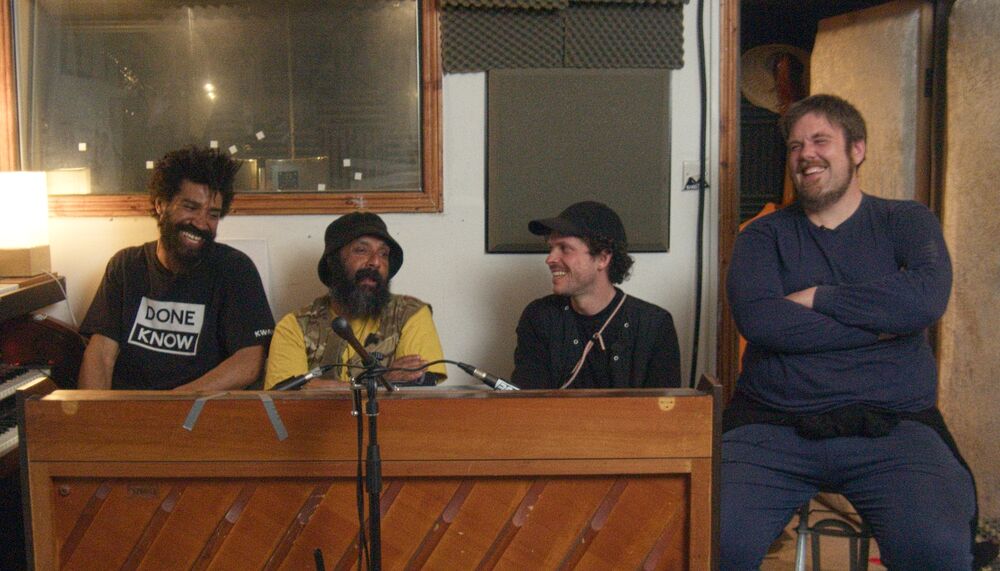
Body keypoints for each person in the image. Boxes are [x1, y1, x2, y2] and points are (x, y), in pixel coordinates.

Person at [722, 94, 978, 569]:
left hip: (894, 427)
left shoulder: (906, 221)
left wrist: (821, 297)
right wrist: (886, 326)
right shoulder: (762, 235)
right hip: (772, 427)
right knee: (706, 540)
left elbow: (924, 301)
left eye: (821, 140)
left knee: (939, 549)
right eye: (796, 145)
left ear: (857, 149)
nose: (806, 155)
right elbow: (760, 320)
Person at [79, 146, 275, 390]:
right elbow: (100, 354)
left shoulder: (235, 269)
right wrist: (94, 419)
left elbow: (250, 362)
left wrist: (170, 405)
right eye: (190, 208)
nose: (202, 223)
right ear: (161, 204)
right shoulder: (125, 266)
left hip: (198, 417)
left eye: (212, 214)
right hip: (128, 415)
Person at [264, 212, 446, 388]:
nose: (375, 262)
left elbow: (417, 388)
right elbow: (285, 397)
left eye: (383, 254)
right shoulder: (295, 326)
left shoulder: (409, 313)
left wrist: (321, 387)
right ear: (334, 263)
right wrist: (380, 381)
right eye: (361, 250)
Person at [512, 201, 681, 389]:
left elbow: (665, 413)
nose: (550, 259)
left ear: (603, 258)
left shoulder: (654, 326)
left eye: (564, 248)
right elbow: (528, 406)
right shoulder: (539, 317)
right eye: (551, 248)